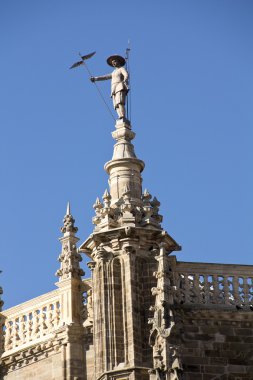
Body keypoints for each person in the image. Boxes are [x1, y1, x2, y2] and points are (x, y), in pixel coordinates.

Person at [90, 55, 129, 120]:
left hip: (119, 86)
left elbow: (126, 74)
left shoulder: (121, 69)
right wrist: (95, 78)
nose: (113, 63)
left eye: (115, 61)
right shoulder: (113, 72)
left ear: (118, 62)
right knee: (116, 105)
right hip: (113, 88)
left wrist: (125, 79)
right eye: (112, 62)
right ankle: (120, 116)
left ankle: (123, 116)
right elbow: (105, 77)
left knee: (120, 102)